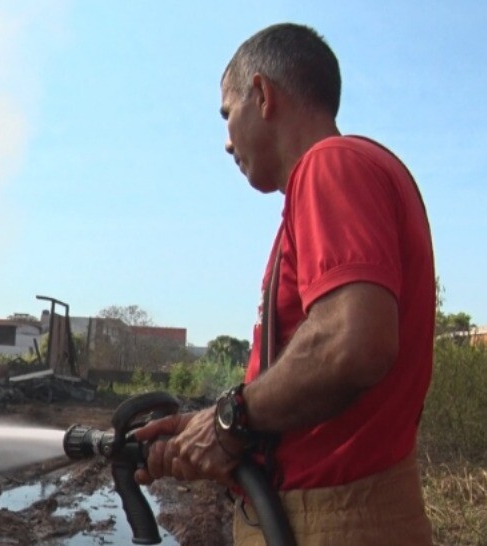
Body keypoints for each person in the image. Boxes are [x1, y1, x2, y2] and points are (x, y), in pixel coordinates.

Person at [133, 23, 435, 546]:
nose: (227, 143)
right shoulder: (341, 181)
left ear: (263, 94)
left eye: (228, 116)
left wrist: (229, 421)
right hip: (325, 512)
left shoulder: (330, 165)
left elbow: (352, 343)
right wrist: (207, 426)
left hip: (332, 522)